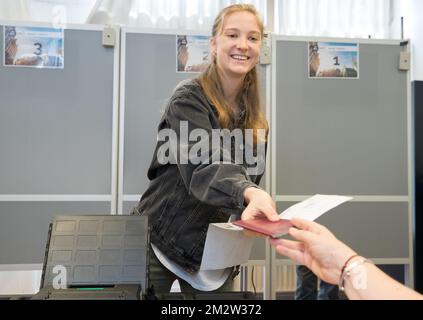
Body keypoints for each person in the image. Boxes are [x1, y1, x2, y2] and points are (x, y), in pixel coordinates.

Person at [132, 4, 279, 295]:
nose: (242, 45)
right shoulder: (188, 100)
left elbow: (243, 189)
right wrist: (248, 192)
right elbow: (204, 166)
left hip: (214, 256)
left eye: (252, 37)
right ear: (214, 44)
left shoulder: (257, 122)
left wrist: (249, 210)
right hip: (161, 240)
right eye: (232, 35)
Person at [270, 218, 423, 300]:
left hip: (333, 233)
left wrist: (345, 266)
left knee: (326, 287)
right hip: (309, 230)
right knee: (306, 279)